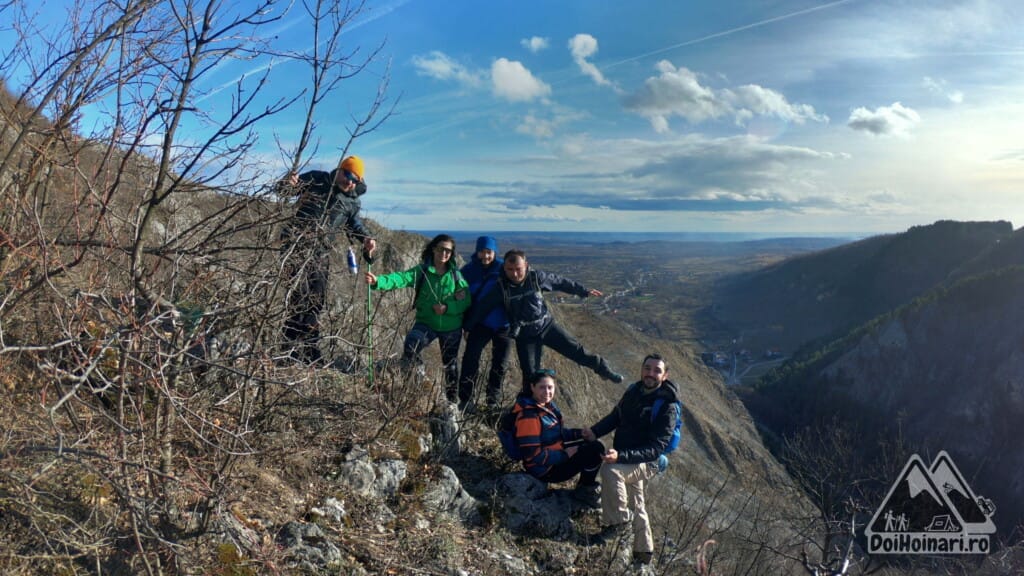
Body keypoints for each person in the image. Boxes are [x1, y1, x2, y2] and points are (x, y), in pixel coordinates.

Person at [464, 249, 624, 388]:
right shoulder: (501, 288)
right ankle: (529, 409)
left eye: (518, 269)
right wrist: (468, 327)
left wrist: (583, 291)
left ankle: (603, 369)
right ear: (504, 268)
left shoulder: (537, 278)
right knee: (530, 375)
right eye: (509, 269)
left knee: (576, 351)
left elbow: (560, 282)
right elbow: (482, 308)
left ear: (526, 265)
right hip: (525, 336)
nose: (514, 274)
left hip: (547, 326)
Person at [583, 353, 680, 567]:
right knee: (637, 501)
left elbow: (656, 448)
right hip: (627, 456)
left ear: (665, 375)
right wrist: (594, 432)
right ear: (642, 369)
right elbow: (616, 417)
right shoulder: (633, 391)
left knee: (610, 471)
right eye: (648, 368)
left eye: (657, 370)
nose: (651, 373)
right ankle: (644, 552)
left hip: (648, 462)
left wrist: (621, 456)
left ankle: (617, 525)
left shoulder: (667, 406)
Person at [278, 155, 376, 364]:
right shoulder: (317, 179)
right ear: (340, 170)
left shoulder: (352, 202)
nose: (350, 182)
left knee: (315, 304)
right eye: (348, 175)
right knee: (298, 300)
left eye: (355, 180)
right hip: (295, 248)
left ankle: (310, 350)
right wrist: (288, 182)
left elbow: (353, 224)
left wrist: (366, 238)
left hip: (320, 254)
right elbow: (284, 192)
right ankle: (288, 351)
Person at [365, 234, 469, 401]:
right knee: (411, 345)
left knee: (450, 366)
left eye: (448, 251)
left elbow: (465, 300)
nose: (444, 253)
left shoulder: (456, 276)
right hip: (426, 323)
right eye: (441, 249)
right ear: (434, 248)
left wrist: (447, 307)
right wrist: (378, 281)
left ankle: (451, 400)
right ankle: (417, 380)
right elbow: (401, 278)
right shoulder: (422, 271)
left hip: (451, 326)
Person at [513, 369, 604, 507]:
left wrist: (579, 434)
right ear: (532, 387)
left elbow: (556, 434)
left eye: (550, 387)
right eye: (542, 387)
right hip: (545, 470)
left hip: (553, 457)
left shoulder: (546, 407)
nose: (547, 392)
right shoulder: (529, 416)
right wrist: (565, 455)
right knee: (595, 450)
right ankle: (585, 490)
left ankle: (585, 486)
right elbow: (533, 456)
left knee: (594, 444)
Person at [458, 236, 512, 412]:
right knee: (470, 359)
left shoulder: (504, 268)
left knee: (500, 364)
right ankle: (466, 399)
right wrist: (466, 325)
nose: (485, 256)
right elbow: (461, 297)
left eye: (489, 252)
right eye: (482, 251)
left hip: (504, 325)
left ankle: (492, 401)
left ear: (494, 252)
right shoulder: (468, 271)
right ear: (477, 251)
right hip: (480, 323)